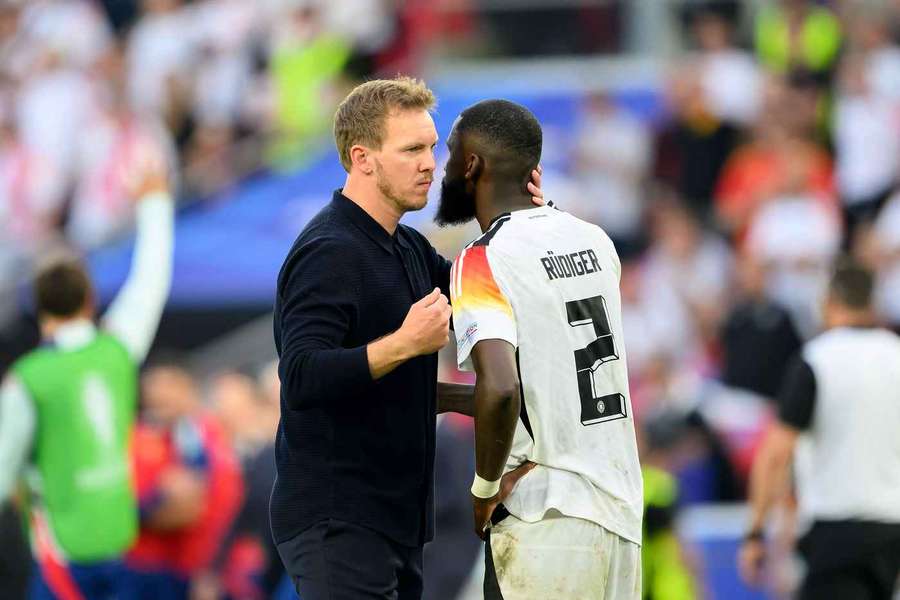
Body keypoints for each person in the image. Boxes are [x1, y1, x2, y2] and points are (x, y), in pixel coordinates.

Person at [271, 76, 542, 599]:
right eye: (412, 149)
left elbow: (485, 289)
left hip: (396, 523)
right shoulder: (328, 250)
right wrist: (404, 343)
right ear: (362, 158)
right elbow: (301, 377)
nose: (430, 163)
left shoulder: (410, 247)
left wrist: (527, 221)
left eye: (433, 147)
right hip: (339, 520)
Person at [437, 99, 643, 598]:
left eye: (449, 154)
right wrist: (438, 396)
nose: (442, 168)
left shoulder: (481, 258)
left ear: (473, 165)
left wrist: (483, 491)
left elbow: (502, 388)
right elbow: (551, 394)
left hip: (545, 514)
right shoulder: (594, 240)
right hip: (620, 516)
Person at [0, 156, 174, 599]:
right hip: (120, 546)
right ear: (90, 300)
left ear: (38, 311)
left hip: (62, 563)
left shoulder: (27, 380)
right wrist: (154, 204)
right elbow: (150, 281)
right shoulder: (118, 348)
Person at [738, 258, 900, 600]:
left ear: (828, 303)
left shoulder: (816, 359)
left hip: (835, 528)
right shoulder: (896, 355)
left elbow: (776, 454)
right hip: (892, 527)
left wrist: (754, 533)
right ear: (872, 303)